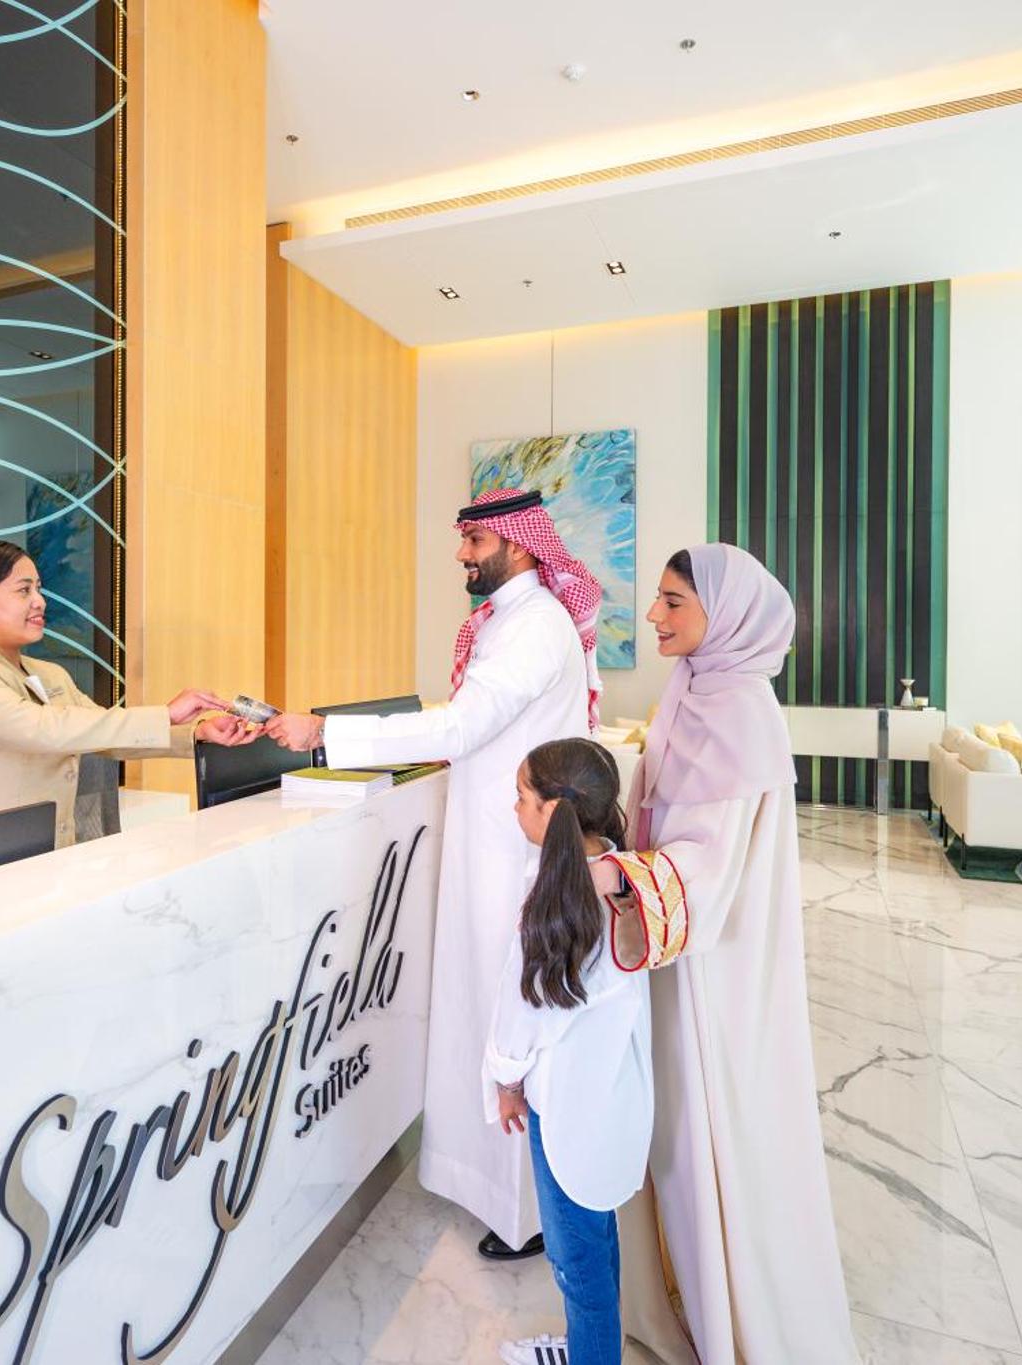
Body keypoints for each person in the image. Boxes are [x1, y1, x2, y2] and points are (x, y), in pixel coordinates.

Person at [265, 487, 601, 1260]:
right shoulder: (514, 619)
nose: (462, 554)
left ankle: (527, 1213)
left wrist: (325, 731)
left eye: (474, 540)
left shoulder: (537, 625)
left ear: (518, 545)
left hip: (515, 856)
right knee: (480, 1009)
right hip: (491, 844)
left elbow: (459, 725)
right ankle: (497, 1192)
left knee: (507, 1014)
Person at [612, 544, 859, 1365]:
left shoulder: (743, 711)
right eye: (659, 598)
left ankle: (726, 1321)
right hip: (677, 955)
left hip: (714, 969)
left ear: (730, 615)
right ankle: (667, 1299)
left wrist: (615, 877)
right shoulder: (692, 687)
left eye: (675, 602)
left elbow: (707, 863)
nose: (656, 615)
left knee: (702, 1131)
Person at [488, 738, 651, 1365]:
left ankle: (592, 1354)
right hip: (617, 1098)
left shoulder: (553, 909)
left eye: (523, 798)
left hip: (565, 1113)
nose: (514, 808)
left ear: (554, 813)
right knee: (598, 1235)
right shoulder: (622, 879)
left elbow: (518, 1015)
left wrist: (505, 1083)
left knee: (575, 1265)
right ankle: (591, 1348)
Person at [0, 539, 255, 846]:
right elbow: (47, 729)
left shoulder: (50, 673)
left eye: (38, 589)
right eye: (23, 591)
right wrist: (165, 714)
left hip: (52, 850)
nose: (40, 601)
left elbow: (103, 734)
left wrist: (196, 734)